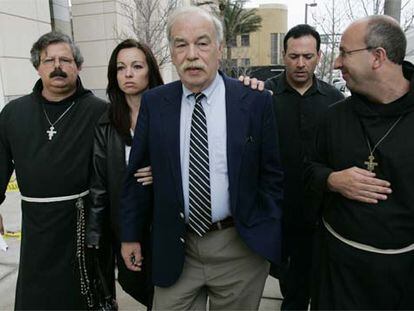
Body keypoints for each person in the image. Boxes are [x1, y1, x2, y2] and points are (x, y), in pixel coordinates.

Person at [120, 5, 284, 310]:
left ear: (219, 49)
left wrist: (266, 232)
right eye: (181, 44)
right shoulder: (155, 103)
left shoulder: (254, 101)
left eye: (202, 42)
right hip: (176, 245)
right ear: (171, 51)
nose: (191, 54)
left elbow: (272, 175)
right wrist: (130, 235)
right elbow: (136, 175)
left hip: (240, 248)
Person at [305, 15, 414, 310]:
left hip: (403, 277)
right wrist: (331, 180)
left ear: (377, 57)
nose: (337, 63)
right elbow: (308, 169)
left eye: (343, 53)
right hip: (337, 271)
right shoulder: (332, 117)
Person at [0, 31, 107, 310]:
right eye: (49, 60)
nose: (57, 66)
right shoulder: (14, 113)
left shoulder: (99, 112)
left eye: (65, 60)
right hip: (35, 227)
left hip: (82, 225)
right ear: (37, 66)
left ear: (78, 66)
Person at [264, 25, 343, 310]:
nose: (300, 63)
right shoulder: (265, 96)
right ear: (283, 55)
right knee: (289, 280)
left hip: (321, 210)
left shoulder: (334, 101)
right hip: (278, 208)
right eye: (294, 56)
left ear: (319, 56)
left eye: (308, 56)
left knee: (317, 280)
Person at [86, 39, 164, 309]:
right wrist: (95, 235)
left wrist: (163, 172)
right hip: (125, 225)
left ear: (150, 71)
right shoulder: (107, 122)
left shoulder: (169, 112)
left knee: (166, 293)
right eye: (120, 68)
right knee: (135, 284)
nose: (128, 74)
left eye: (136, 66)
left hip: (165, 224)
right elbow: (99, 185)